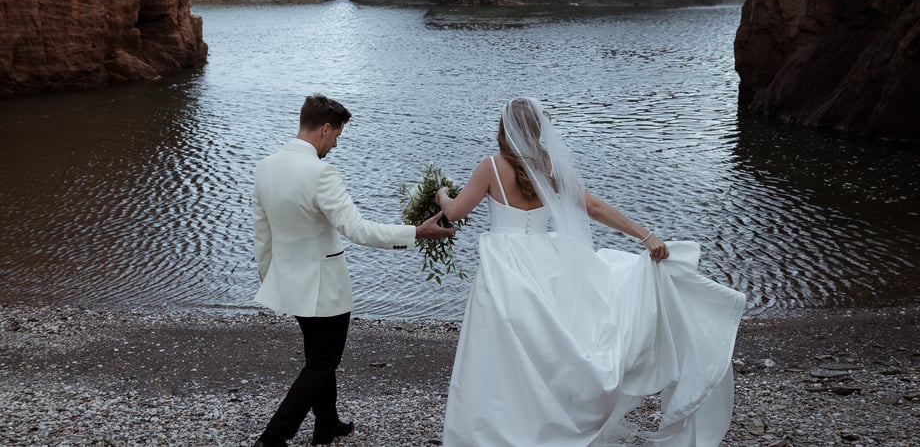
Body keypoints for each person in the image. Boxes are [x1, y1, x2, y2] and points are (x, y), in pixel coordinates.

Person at [436, 97, 746, 446]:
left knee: (500, 347)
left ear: (504, 130)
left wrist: (442, 195)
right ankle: (548, 419)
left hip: (505, 265)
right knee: (550, 346)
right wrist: (644, 235)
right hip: (547, 262)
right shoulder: (549, 166)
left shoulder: (491, 167)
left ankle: (498, 424)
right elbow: (594, 207)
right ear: (538, 129)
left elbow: (456, 212)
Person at [250, 94, 457, 447]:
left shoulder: (265, 167)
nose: (335, 144)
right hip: (325, 288)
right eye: (337, 136)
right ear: (325, 128)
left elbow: (262, 233)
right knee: (322, 363)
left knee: (318, 356)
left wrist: (270, 279)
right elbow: (358, 230)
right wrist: (417, 233)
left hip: (289, 282)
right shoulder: (320, 173)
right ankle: (272, 438)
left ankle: (326, 424)